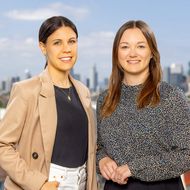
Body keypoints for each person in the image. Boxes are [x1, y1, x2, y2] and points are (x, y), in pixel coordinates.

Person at [0, 16, 97, 190]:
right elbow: (2, 145)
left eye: (72, 41)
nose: (67, 49)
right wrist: (38, 184)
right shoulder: (27, 90)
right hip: (47, 182)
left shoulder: (83, 91)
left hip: (82, 182)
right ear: (43, 47)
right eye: (57, 43)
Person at [96, 20, 190, 190]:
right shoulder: (105, 100)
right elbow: (99, 147)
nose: (132, 53)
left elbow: (187, 154)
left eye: (140, 46)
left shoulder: (170, 97)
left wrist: (134, 168)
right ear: (116, 53)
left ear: (152, 52)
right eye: (125, 47)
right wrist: (102, 160)